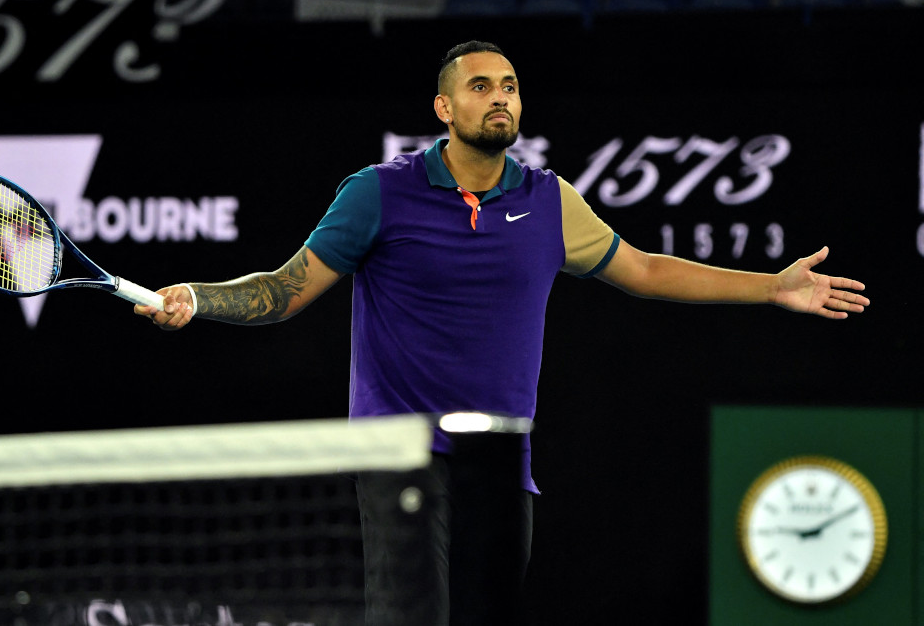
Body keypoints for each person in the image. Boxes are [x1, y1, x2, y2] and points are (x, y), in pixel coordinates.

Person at [134, 40, 869, 625]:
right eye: (481, 85)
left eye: (510, 85)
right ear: (444, 107)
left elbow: (644, 270)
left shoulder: (551, 202)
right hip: (401, 461)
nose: (500, 97)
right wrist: (200, 298)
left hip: (501, 468)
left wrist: (772, 286)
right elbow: (285, 290)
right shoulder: (377, 194)